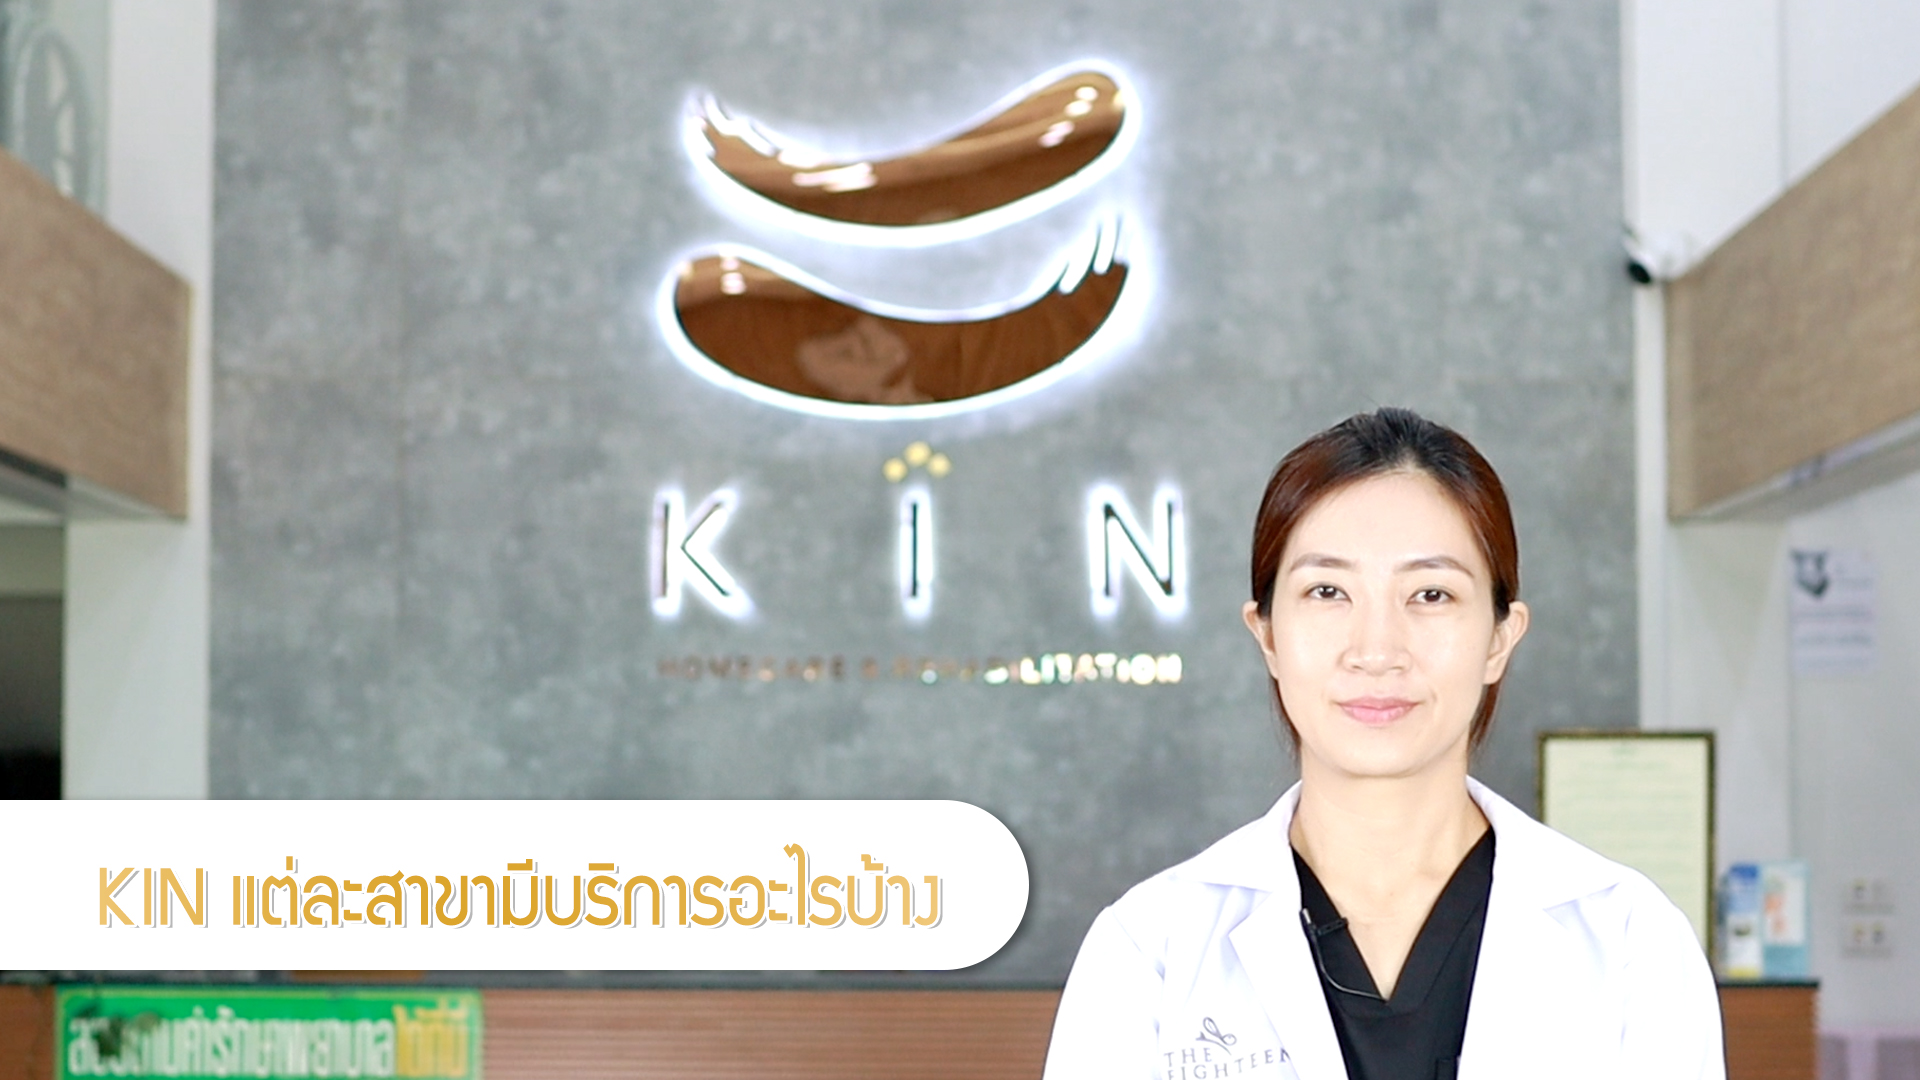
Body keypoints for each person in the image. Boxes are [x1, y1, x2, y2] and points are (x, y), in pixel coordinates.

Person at [1042, 408, 1723, 1080]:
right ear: (1268, 634)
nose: (1376, 650)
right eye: (1327, 590)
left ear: (1499, 638)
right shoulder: (1150, 950)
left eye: (1430, 594)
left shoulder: (1630, 941)